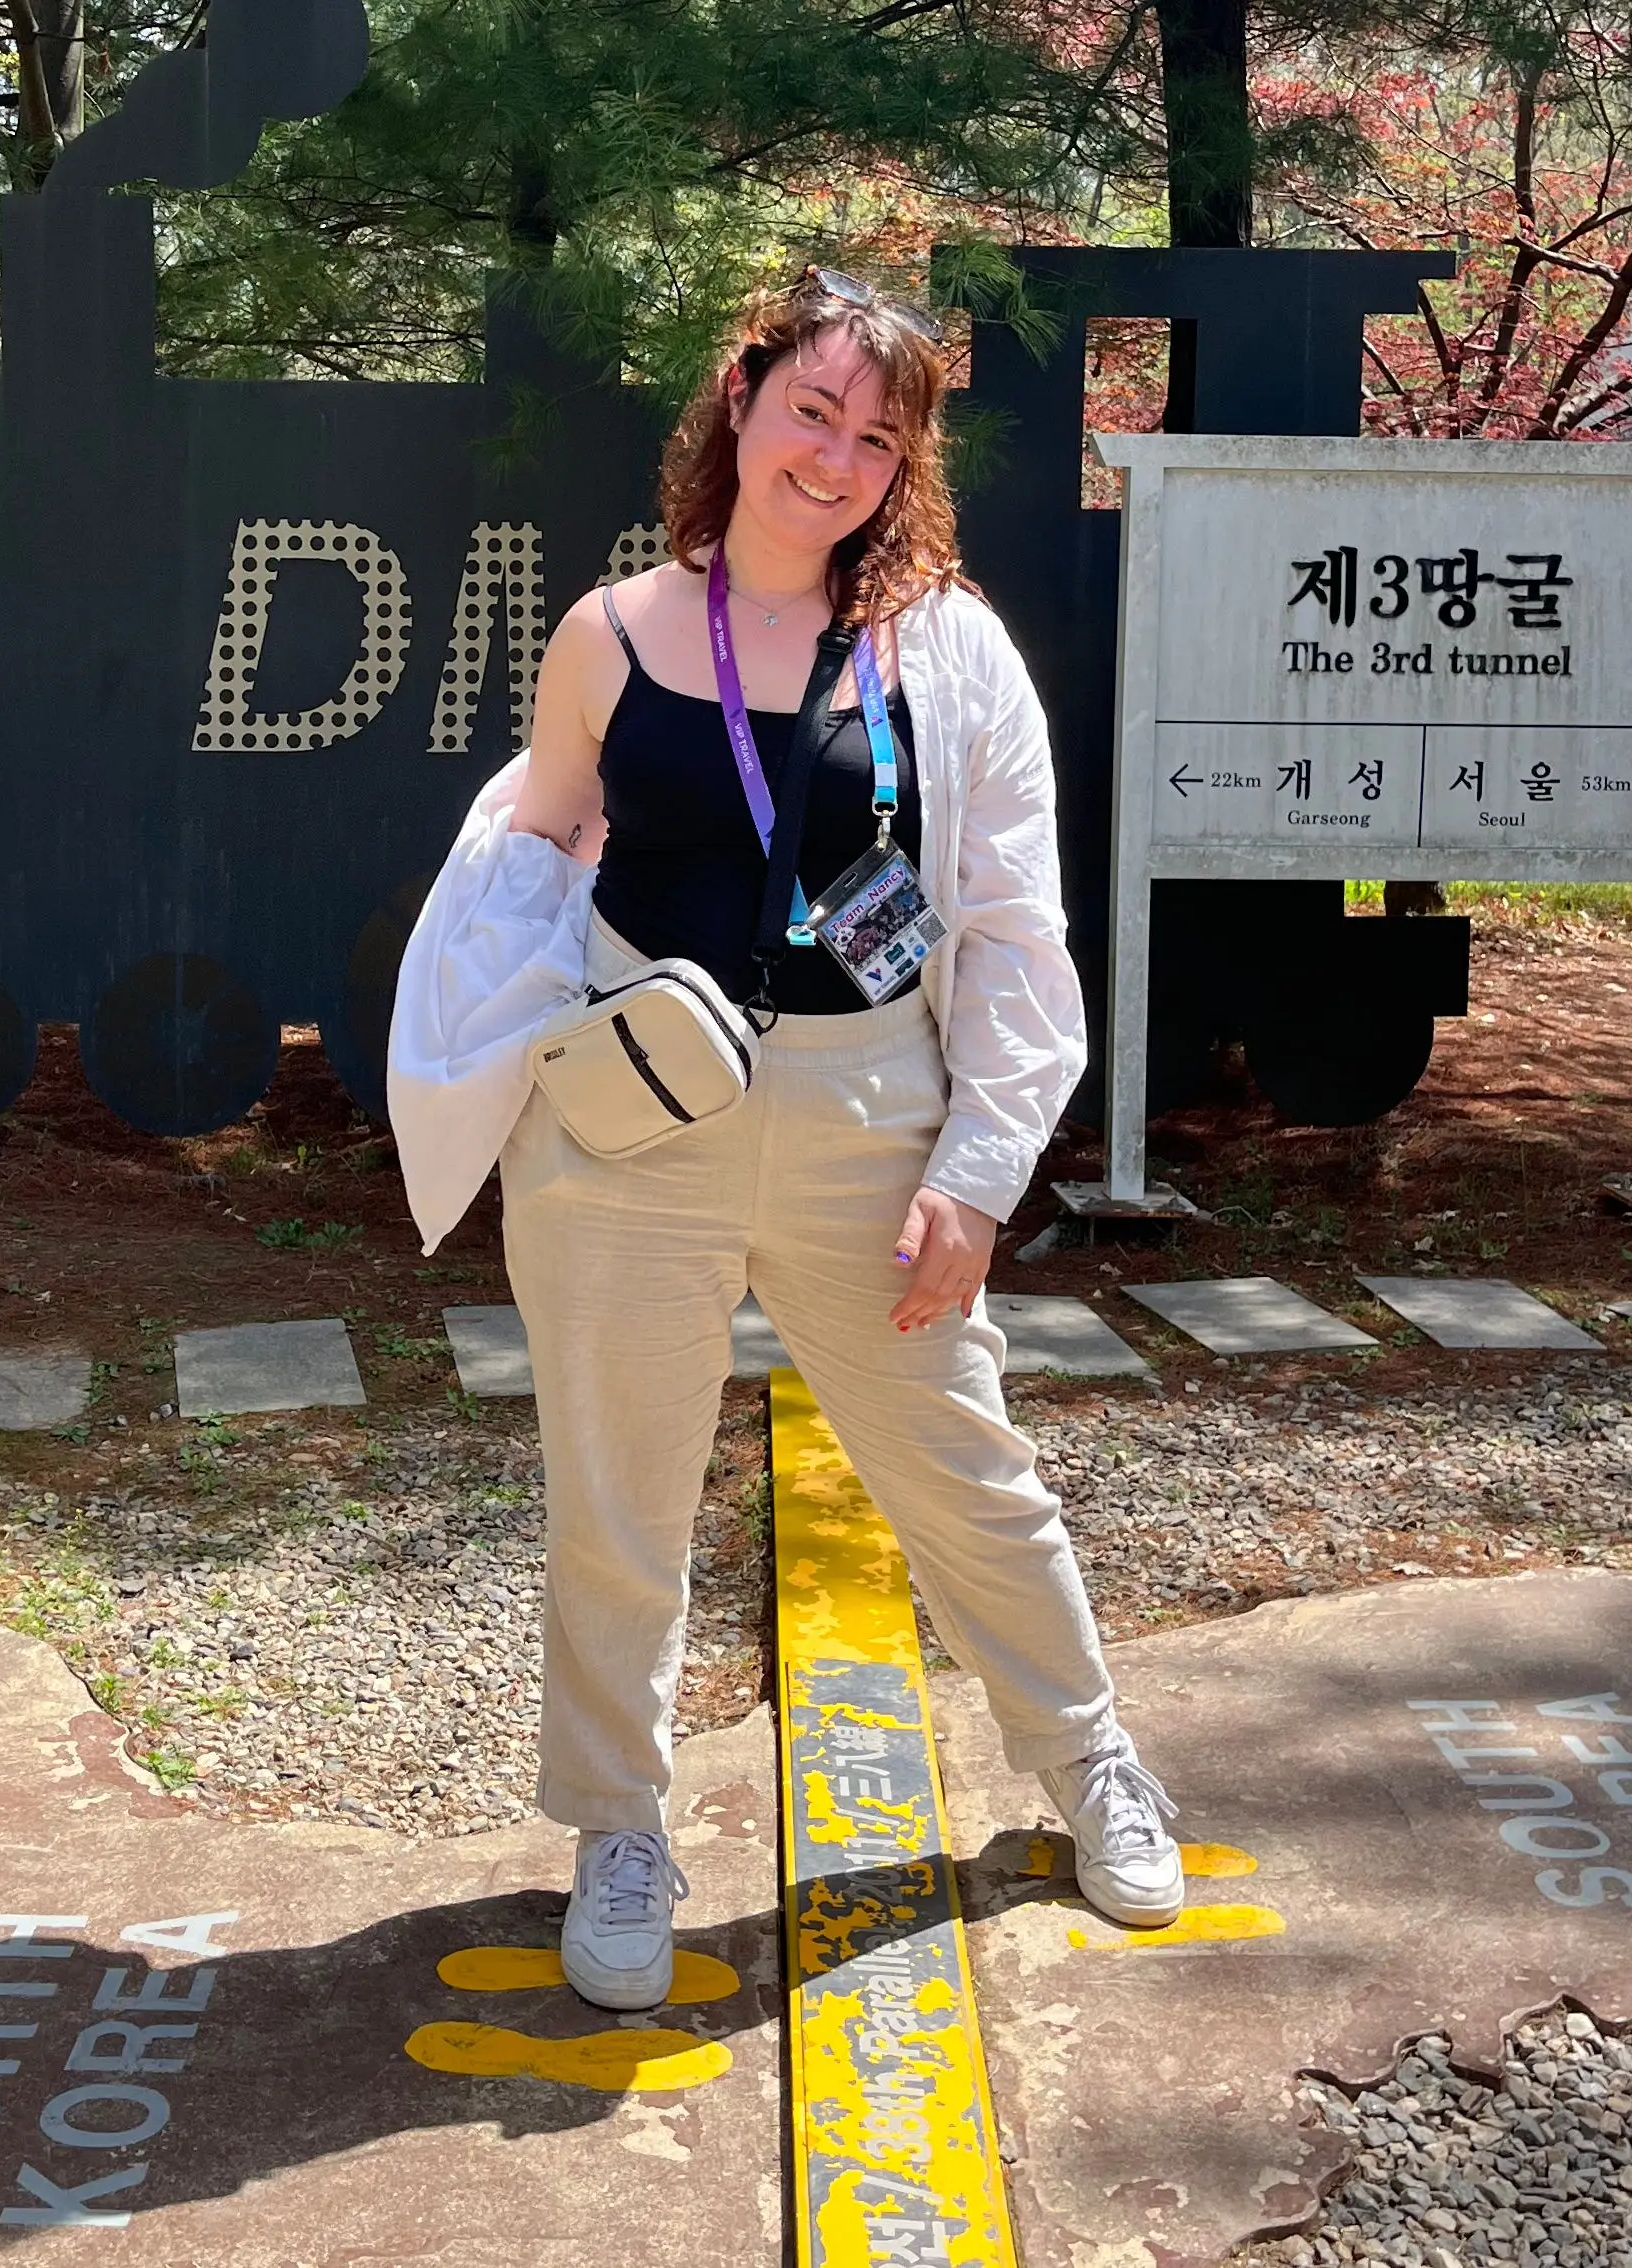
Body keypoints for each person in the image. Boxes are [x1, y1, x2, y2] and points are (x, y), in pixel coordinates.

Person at [407, 266, 1184, 2014]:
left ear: (903, 467)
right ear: (741, 402)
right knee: (616, 1499)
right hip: (628, 1130)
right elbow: (524, 870)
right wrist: (489, 1073)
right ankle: (619, 1830)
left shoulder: (948, 647)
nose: (832, 457)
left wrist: (980, 1174)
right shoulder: (609, 635)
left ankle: (1090, 1761)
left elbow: (1011, 931)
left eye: (874, 434)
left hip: (866, 1121)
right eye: (809, 411)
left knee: (963, 1470)